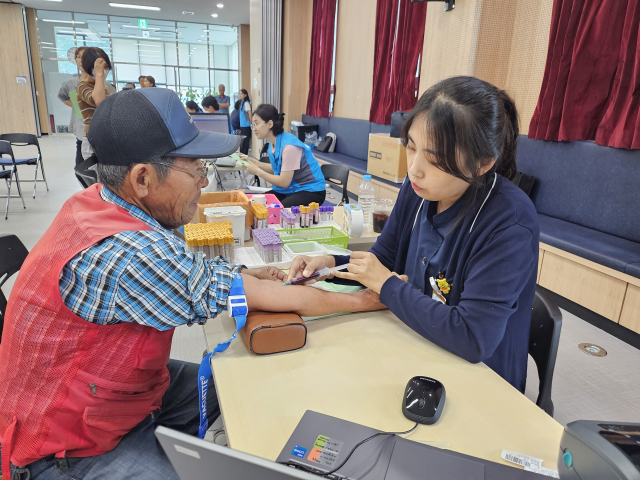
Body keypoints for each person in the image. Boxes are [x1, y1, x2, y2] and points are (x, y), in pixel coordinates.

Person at [0, 88, 384, 480]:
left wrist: (246, 275)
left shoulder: (96, 202)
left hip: (112, 393)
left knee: (239, 387)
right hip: (63, 445)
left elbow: (193, 275)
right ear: (143, 178)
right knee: (240, 391)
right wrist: (375, 297)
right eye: (195, 168)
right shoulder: (130, 253)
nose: (203, 180)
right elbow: (266, 296)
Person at [287, 76, 539, 393]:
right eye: (411, 147)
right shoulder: (418, 190)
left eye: (434, 159)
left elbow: (474, 338)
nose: (415, 169)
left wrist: (387, 284)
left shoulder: (508, 222)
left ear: (482, 164)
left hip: (480, 379)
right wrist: (329, 265)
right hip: (416, 343)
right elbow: (384, 259)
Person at [243, 104, 326, 208]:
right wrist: (254, 162)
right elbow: (277, 169)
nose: (254, 128)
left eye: (256, 123)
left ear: (269, 124)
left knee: (274, 210)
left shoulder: (289, 147)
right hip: (292, 189)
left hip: (311, 191)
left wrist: (257, 171)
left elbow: (284, 182)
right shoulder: (272, 143)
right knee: (255, 204)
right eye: (253, 125)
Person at [76, 47, 115, 160]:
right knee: (97, 176)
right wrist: (99, 75)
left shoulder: (106, 87)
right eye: (99, 67)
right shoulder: (82, 86)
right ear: (90, 68)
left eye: (106, 66)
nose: (103, 70)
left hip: (107, 138)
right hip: (93, 139)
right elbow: (100, 102)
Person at [57, 46, 86, 167]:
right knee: (80, 168)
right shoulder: (70, 83)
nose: (80, 60)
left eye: (83, 56)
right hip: (81, 127)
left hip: (97, 130)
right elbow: (63, 97)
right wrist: (77, 106)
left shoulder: (102, 83)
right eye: (78, 57)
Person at [238, 89, 252, 155]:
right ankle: (242, 154)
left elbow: (249, 113)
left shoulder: (246, 103)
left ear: (245, 95)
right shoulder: (241, 103)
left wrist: (251, 123)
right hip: (242, 125)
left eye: (241, 94)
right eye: (239, 94)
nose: (240, 95)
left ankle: (244, 155)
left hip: (246, 125)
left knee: (245, 142)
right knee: (242, 141)